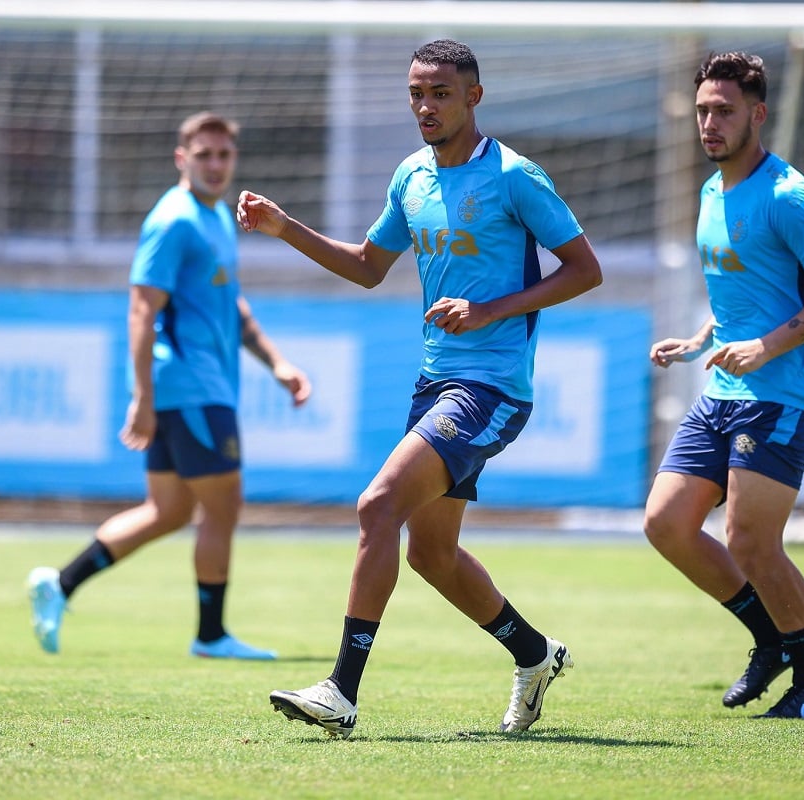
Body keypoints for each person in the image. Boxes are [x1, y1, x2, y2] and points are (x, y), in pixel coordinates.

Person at [236, 39, 602, 738]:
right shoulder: (411, 176)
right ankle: (535, 655)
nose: (425, 106)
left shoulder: (515, 176)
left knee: (377, 504)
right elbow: (370, 266)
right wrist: (286, 229)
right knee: (431, 554)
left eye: (439, 93)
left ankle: (341, 691)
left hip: (492, 388)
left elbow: (585, 269)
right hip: (436, 382)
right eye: (415, 93)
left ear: (474, 97)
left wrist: (490, 310)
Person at [26, 111, 311, 661]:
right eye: (203, 155)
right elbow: (140, 308)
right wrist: (143, 397)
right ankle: (211, 636)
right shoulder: (175, 220)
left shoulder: (218, 217)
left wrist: (275, 363)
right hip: (191, 388)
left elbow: (230, 305)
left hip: (196, 387)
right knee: (223, 507)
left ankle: (59, 584)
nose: (215, 164)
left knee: (170, 512)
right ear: (182, 159)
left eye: (223, 155)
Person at [644, 52, 804, 719]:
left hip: (783, 394)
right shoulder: (714, 191)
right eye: (703, 110)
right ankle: (771, 640)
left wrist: (765, 346)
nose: (710, 123)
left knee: (748, 540)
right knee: (666, 523)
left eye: (724, 111)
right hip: (724, 392)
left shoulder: (788, 194)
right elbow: (748, 288)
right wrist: (702, 339)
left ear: (757, 115)